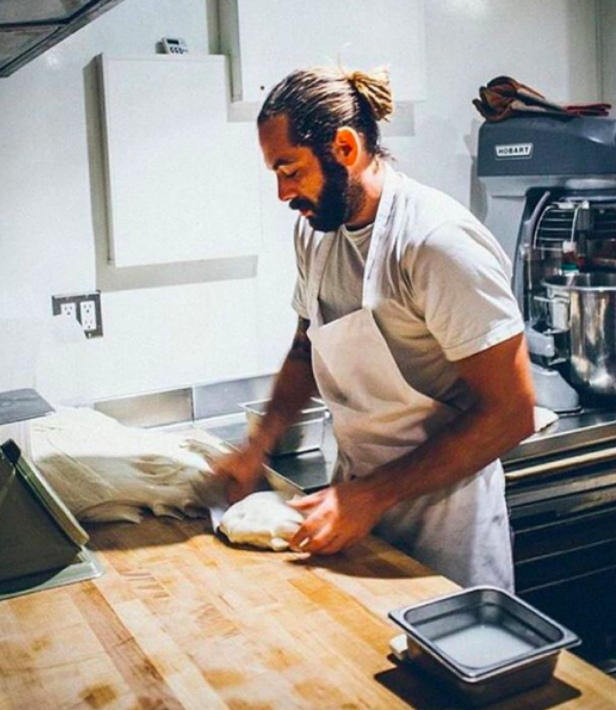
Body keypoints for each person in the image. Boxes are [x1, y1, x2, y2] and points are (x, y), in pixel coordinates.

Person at [213, 66, 536, 591]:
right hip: (355, 513)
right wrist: (259, 444)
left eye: (290, 169)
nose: (282, 192)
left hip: (445, 529)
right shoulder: (316, 234)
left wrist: (371, 496)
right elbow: (305, 347)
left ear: (344, 147)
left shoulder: (435, 243)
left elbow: (511, 414)